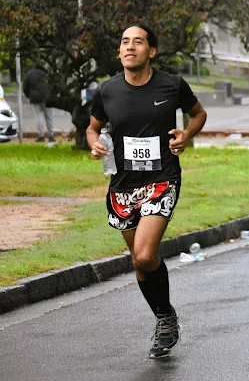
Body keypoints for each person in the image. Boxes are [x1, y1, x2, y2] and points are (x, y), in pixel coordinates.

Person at [86, 24, 207, 358]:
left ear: (151, 51)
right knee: (141, 264)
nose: (130, 47)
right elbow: (93, 128)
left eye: (138, 42)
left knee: (143, 254)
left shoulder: (171, 84)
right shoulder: (107, 90)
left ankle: (165, 320)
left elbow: (198, 113)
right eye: (125, 42)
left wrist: (186, 135)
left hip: (162, 180)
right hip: (123, 185)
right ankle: (165, 316)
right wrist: (95, 144)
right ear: (119, 51)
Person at [23, 64, 55, 142]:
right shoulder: (46, 74)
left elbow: (25, 87)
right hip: (47, 97)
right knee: (49, 117)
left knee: (39, 117)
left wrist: (28, 95)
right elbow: (52, 85)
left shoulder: (29, 74)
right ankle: (51, 136)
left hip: (35, 98)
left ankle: (41, 136)